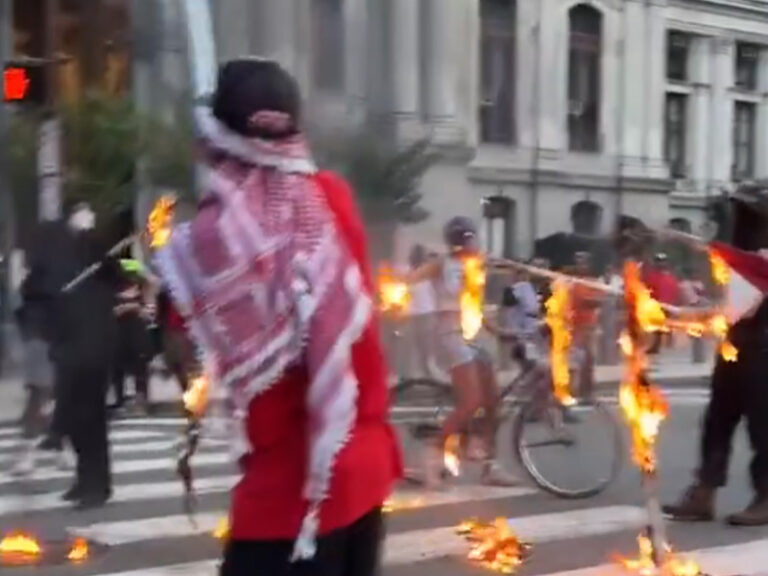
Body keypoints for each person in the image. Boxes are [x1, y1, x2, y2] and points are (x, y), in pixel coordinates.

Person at [153, 58, 401, 575]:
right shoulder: (333, 198)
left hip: (287, 495)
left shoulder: (209, 239)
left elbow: (186, 356)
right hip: (362, 469)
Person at [403, 216, 519, 488]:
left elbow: (474, 305)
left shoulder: (475, 266)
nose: (472, 242)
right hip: (450, 336)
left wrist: (497, 330)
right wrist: (396, 290)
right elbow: (407, 280)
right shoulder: (441, 264)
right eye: (468, 238)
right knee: (470, 402)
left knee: (493, 403)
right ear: (458, 240)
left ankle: (490, 466)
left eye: (472, 237)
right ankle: (431, 458)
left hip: (472, 336)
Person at [663, 241, 768, 526]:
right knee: (717, 422)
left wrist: (689, 316)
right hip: (735, 347)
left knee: (762, 427)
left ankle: (766, 496)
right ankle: (704, 492)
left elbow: (737, 308)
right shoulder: (745, 262)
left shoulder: (759, 264)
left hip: (762, 350)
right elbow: (728, 305)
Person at [54, 203, 121, 509]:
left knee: (91, 420)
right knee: (71, 420)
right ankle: (83, 480)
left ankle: (97, 486)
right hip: (71, 350)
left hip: (94, 352)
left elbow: (114, 273)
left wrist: (95, 243)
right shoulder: (66, 262)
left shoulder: (99, 257)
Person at [110, 260, 152, 415]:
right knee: (116, 369)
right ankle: (119, 401)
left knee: (140, 368)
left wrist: (139, 308)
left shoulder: (143, 292)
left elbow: (149, 314)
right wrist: (129, 307)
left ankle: (141, 402)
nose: (130, 281)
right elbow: (109, 312)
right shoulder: (111, 292)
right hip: (118, 334)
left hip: (137, 334)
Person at [406, 244, 437, 378]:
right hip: (418, 313)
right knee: (421, 343)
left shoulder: (424, 272)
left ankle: (426, 371)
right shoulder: (413, 274)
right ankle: (423, 371)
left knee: (424, 343)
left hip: (423, 313)